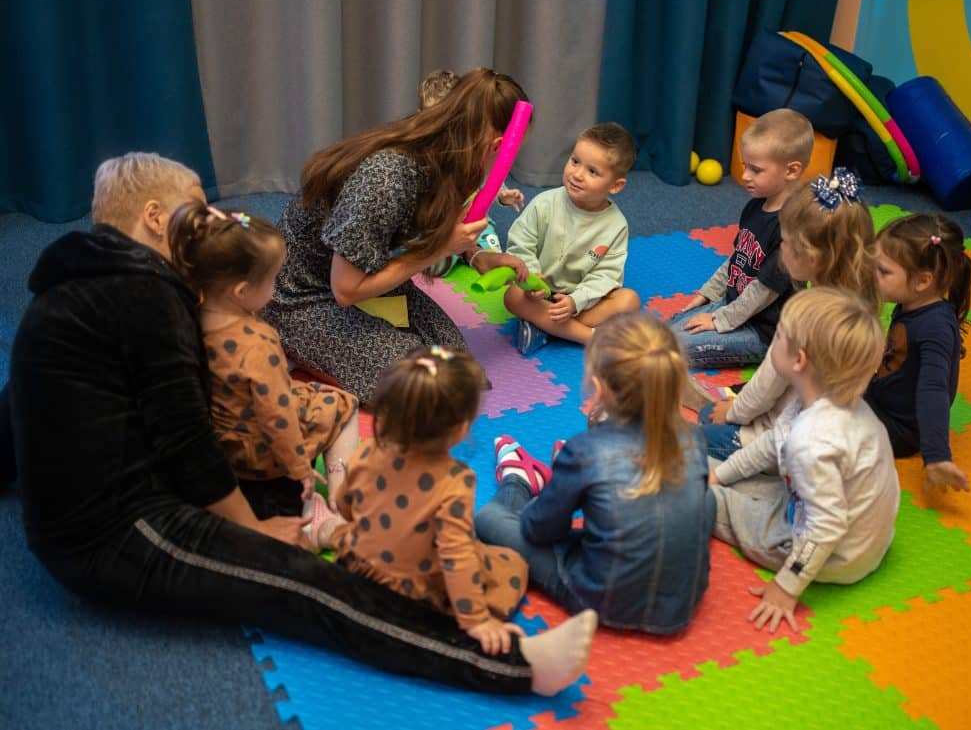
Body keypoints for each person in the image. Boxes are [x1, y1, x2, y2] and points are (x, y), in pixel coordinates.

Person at [6, 151, 597, 697]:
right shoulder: (143, 297)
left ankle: (340, 530)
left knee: (297, 491)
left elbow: (17, 408)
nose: (211, 219)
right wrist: (253, 534)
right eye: (198, 206)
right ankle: (513, 665)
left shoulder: (78, 281)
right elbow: (187, 441)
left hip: (146, 476)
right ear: (156, 217)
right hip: (120, 531)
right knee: (299, 583)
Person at [263, 68, 531, 404]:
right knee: (427, 388)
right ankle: (293, 350)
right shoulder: (389, 176)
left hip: (363, 271)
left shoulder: (451, 160)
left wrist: (476, 255)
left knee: (459, 363)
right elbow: (346, 291)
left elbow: (441, 229)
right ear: (497, 146)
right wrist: (441, 250)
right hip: (299, 291)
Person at [309, 347, 583, 657]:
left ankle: (323, 530)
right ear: (461, 428)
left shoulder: (367, 452)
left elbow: (347, 504)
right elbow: (456, 557)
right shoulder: (454, 482)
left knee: (366, 534)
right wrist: (477, 621)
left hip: (360, 567)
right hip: (414, 591)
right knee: (511, 565)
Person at [475, 312, 717, 634]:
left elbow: (540, 531)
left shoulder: (587, 451)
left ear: (600, 389)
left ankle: (519, 480)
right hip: (680, 608)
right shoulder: (694, 438)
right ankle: (562, 482)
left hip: (601, 598)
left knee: (489, 518)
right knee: (699, 496)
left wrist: (562, 496)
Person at [710, 287, 899, 634]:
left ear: (799, 360)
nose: (773, 341)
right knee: (712, 475)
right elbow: (772, 443)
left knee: (697, 495)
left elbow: (825, 528)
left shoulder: (812, 440)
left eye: (779, 335)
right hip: (858, 532)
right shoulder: (829, 401)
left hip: (834, 554)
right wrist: (721, 473)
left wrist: (787, 586)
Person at [167, 201, 360, 520]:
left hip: (223, 446)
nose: (274, 288)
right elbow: (277, 415)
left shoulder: (189, 318)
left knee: (304, 388)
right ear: (240, 291)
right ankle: (341, 497)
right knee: (342, 403)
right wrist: (300, 469)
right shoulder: (257, 342)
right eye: (271, 280)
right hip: (263, 455)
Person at [700, 168, 879, 460]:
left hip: (779, 441)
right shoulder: (858, 308)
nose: (779, 249)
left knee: (704, 421)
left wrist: (733, 412)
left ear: (809, 257)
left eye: (783, 243)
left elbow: (768, 383)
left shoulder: (803, 312)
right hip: (821, 438)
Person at [669, 108, 813, 368]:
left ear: (791, 171)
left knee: (671, 351)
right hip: (733, 305)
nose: (745, 176)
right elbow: (736, 260)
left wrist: (718, 320)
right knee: (664, 333)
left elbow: (762, 292)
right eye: (746, 166)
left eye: (756, 170)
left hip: (764, 331)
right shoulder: (755, 207)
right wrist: (707, 295)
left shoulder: (791, 229)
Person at [504, 122, 642, 356]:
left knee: (630, 301)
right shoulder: (545, 203)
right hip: (538, 293)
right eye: (575, 161)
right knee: (512, 296)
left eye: (593, 172)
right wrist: (532, 278)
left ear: (616, 186)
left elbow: (606, 275)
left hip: (582, 302)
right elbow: (520, 243)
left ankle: (546, 329)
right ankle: (589, 337)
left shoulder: (616, 225)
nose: (577, 174)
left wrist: (576, 301)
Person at [864, 213, 971, 494]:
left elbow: (934, 389)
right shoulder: (912, 300)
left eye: (884, 272)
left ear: (923, 281)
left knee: (818, 411)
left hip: (899, 429)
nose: (873, 275)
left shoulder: (935, 327)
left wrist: (937, 457)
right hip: (878, 397)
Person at [417, 68, 526, 277]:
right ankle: (456, 255)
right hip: (438, 226)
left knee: (496, 258)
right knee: (435, 269)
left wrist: (502, 196)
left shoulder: (472, 150)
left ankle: (473, 255)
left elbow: (488, 181)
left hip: (476, 223)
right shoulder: (426, 156)